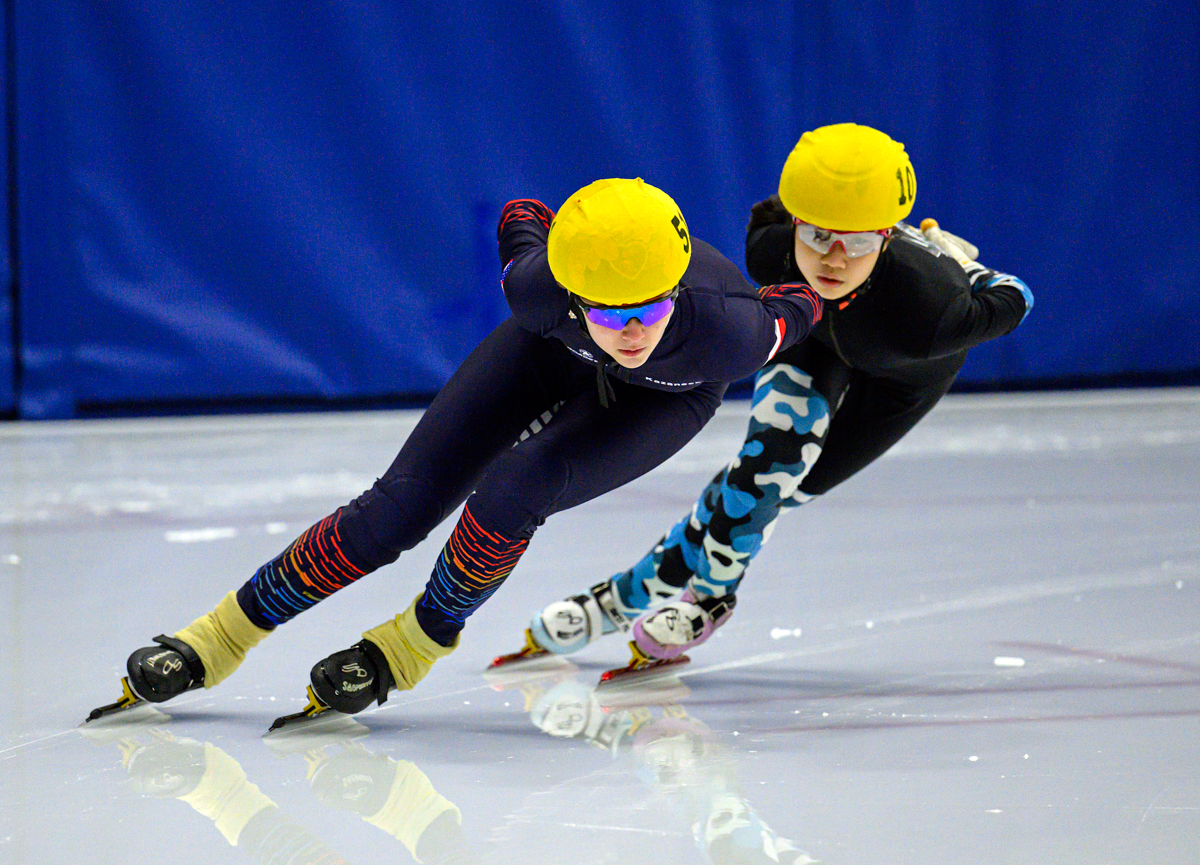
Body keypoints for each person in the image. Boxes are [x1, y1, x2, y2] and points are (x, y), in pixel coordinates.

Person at [88, 177, 823, 726]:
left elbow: (805, 305)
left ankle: (415, 643)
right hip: (550, 351)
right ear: (572, 293)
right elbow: (523, 216)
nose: (632, 332)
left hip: (667, 393)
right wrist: (554, 230)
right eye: (609, 312)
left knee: (514, 488)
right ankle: (217, 637)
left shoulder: (730, 333)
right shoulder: (538, 292)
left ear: (676, 291)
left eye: (651, 308)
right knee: (396, 509)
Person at [505, 124, 1034, 674]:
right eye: (817, 237)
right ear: (796, 224)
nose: (833, 258)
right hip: (813, 340)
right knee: (762, 473)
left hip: (903, 374)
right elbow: (772, 214)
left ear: (886, 238)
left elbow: (1017, 297)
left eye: (856, 243)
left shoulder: (936, 310)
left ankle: (620, 599)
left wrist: (972, 271)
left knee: (775, 490)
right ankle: (705, 600)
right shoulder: (771, 249)